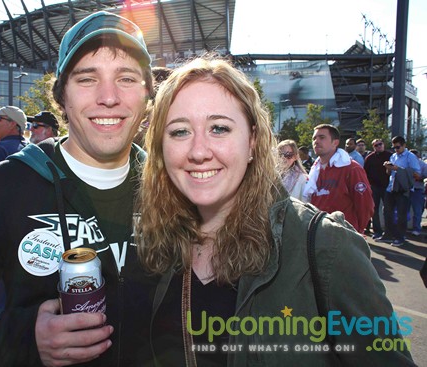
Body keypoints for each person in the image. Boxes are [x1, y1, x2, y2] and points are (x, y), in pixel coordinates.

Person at [0, 11, 155, 367]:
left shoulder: (171, 187)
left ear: (147, 95)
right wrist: (23, 338)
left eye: (127, 78)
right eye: (87, 79)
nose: (109, 97)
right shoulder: (1, 188)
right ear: (62, 98)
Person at [136, 57, 414, 366]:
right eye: (179, 131)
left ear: (252, 141)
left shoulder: (325, 247)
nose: (199, 151)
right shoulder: (156, 243)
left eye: (219, 128)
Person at [304, 125, 374, 234]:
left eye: (322, 137)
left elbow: (365, 205)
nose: (316, 141)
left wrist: (357, 232)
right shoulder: (315, 170)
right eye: (314, 138)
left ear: (335, 143)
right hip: (318, 235)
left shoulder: (351, 168)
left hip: (343, 236)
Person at [378, 136, 421, 246]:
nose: (396, 150)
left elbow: (417, 174)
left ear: (404, 145)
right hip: (391, 187)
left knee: (402, 214)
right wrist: (388, 167)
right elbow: (390, 173)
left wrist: (398, 169)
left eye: (398, 147)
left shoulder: (410, 157)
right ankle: (388, 234)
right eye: (394, 147)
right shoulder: (393, 156)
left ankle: (400, 237)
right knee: (387, 212)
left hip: (403, 189)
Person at [364, 139, 392, 239]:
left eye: (380, 144)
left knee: (387, 210)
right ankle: (377, 231)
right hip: (374, 187)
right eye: (376, 145)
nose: (378, 146)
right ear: (373, 147)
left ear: (383, 144)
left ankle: (388, 232)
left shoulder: (390, 156)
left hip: (387, 187)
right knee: (374, 210)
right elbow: (365, 173)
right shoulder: (369, 158)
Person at [408, 149, 426, 237]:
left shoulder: (423, 164)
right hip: (406, 189)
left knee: (417, 210)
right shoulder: (407, 163)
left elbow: (424, 176)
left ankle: (416, 229)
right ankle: (403, 227)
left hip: (418, 189)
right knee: (403, 210)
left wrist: (418, 177)